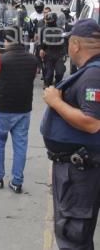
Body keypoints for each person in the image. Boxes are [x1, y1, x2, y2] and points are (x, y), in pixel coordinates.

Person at [41, 19, 100, 250]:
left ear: (75, 45)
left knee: (73, 236)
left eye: (68, 42)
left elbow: (92, 122)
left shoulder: (92, 76)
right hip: (80, 167)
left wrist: (56, 102)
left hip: (81, 172)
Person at [0, 27, 37, 193]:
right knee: (20, 145)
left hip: (3, 108)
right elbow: (32, 77)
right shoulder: (32, 59)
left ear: (7, 40)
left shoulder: (2, 59)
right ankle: (17, 181)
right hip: (24, 108)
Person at [39, 12, 66, 88]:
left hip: (59, 53)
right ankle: (47, 83)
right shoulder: (43, 30)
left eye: (51, 21)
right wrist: (41, 49)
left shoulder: (61, 30)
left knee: (60, 71)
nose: (49, 23)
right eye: (48, 21)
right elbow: (41, 42)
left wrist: (64, 53)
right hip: (48, 52)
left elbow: (65, 42)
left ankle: (58, 82)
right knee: (48, 72)